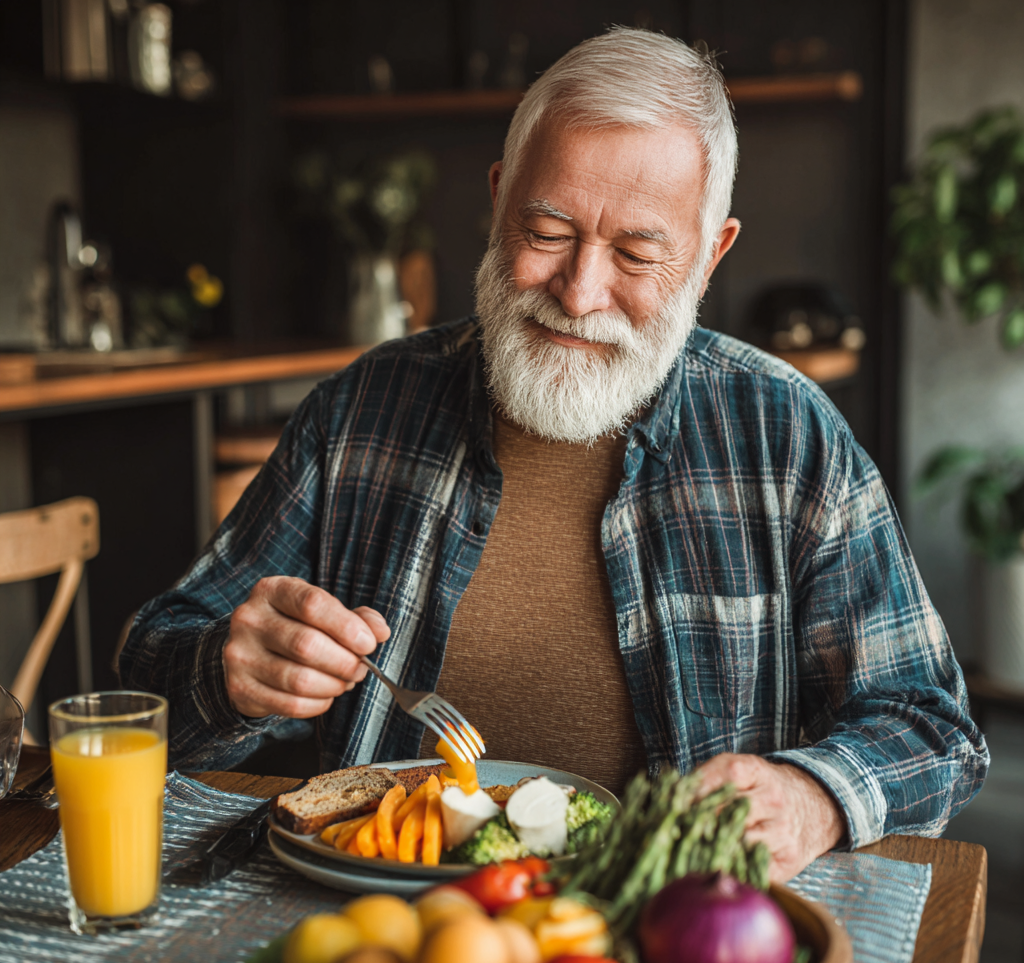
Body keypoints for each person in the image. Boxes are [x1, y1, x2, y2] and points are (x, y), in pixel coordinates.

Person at [121, 28, 988, 882]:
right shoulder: (362, 411)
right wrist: (229, 673)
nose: (579, 292)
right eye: (546, 230)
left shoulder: (784, 433)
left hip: (658, 938)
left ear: (709, 255)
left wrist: (811, 797)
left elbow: (932, 726)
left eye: (638, 252)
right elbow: (151, 661)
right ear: (498, 200)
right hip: (382, 927)